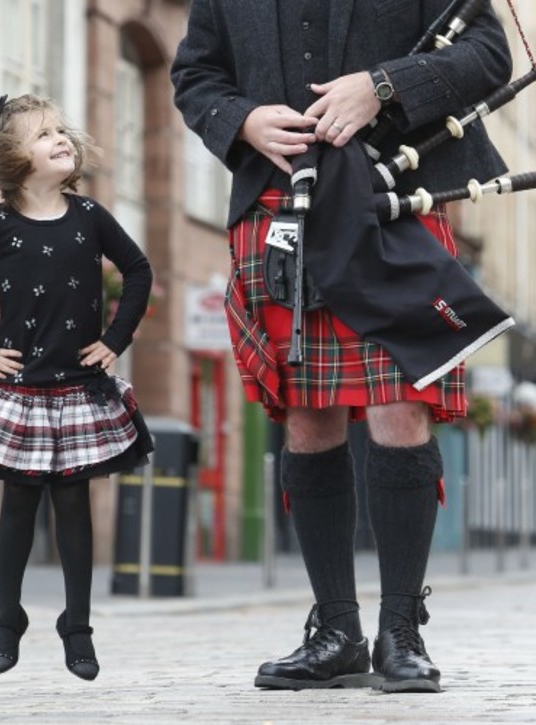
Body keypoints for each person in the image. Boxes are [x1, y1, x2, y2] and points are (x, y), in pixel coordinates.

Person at [171, 1, 512, 693]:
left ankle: (401, 630)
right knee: (306, 416)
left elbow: (487, 54)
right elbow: (195, 73)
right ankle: (334, 629)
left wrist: (382, 86)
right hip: (279, 203)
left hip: (396, 200)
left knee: (400, 407)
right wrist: (241, 120)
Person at [0, 94, 154, 681]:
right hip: (22, 391)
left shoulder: (90, 216)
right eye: (43, 134)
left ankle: (76, 627)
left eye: (62, 130)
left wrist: (115, 338)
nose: (61, 138)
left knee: (74, 506)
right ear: (14, 158)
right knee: (18, 505)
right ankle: (8, 620)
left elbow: (138, 271)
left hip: (81, 389)